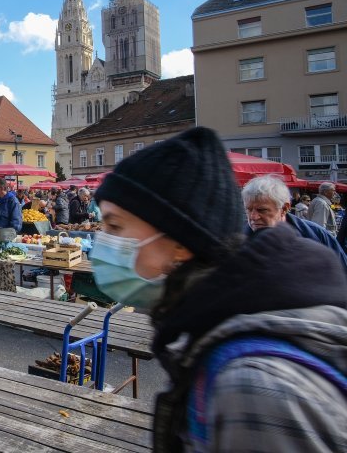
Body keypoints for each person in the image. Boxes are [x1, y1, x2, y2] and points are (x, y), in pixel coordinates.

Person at [90, 127, 347, 451]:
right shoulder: (215, 327)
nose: (103, 241)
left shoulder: (251, 386)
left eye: (114, 226)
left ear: (181, 243)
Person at [241, 175, 347, 268]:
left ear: (284, 208)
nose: (253, 217)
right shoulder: (235, 241)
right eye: (248, 209)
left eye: (262, 210)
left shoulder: (317, 235)